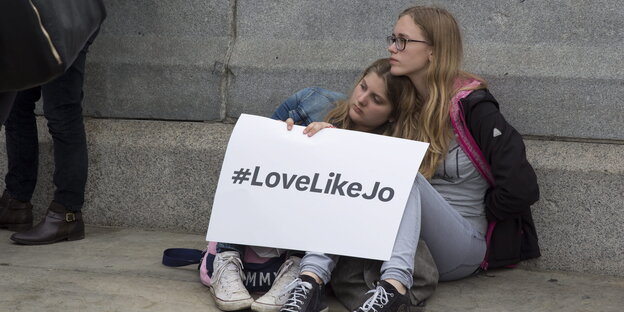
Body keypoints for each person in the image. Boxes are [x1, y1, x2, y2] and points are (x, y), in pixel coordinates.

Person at [278, 6, 540, 312]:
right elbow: (366, 159)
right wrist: (334, 135)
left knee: (403, 174)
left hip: (461, 244)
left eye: (403, 40)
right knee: (385, 170)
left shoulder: (474, 108)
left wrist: (480, 212)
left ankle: (394, 289)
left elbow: (522, 187)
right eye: (393, 38)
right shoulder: (404, 99)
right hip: (408, 241)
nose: (392, 47)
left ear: (433, 51)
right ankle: (310, 281)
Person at [209, 58, 421, 312]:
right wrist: (289, 140)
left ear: (392, 115)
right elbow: (254, 169)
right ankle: (227, 254)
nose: (362, 99)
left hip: (330, 233)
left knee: (362, 171)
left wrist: (340, 148)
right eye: (363, 86)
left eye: (377, 100)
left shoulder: (394, 149)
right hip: (282, 217)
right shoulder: (313, 104)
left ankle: (313, 275)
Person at [0, 33, 98, 245]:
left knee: (61, 111)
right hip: (31, 19)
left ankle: (67, 213)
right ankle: (16, 202)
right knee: (16, 102)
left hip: (64, 17)